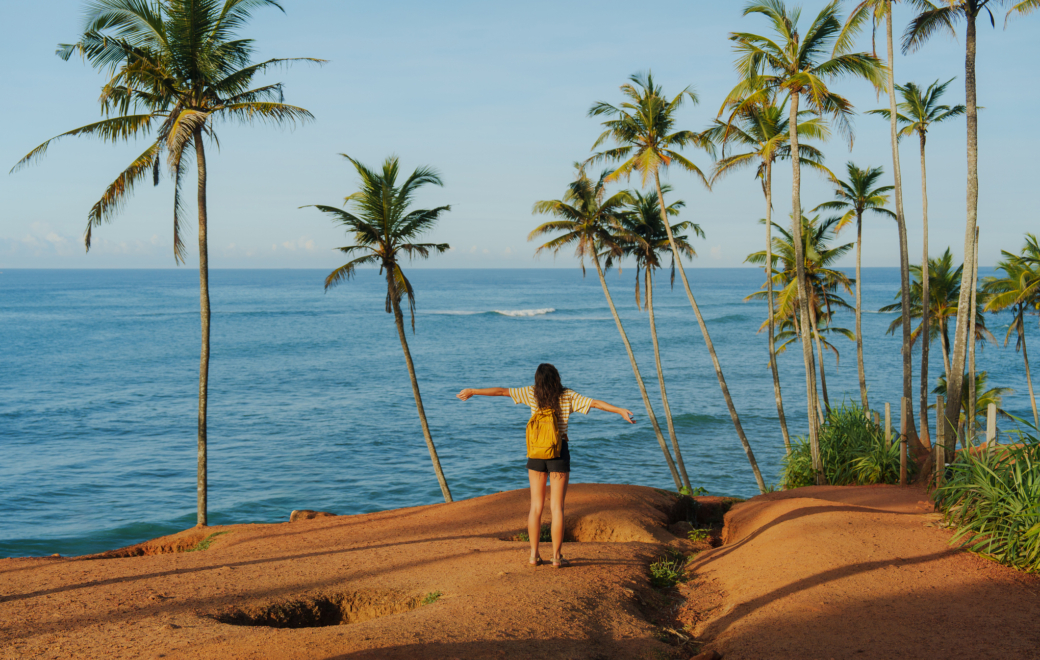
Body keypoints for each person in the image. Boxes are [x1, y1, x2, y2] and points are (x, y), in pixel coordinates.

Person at [456, 363, 635, 568]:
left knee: (536, 507)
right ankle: (557, 557)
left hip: (536, 453)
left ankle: (534, 555)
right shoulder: (566, 395)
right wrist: (619, 410)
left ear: (537, 380)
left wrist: (473, 391)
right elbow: (594, 403)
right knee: (557, 508)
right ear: (557, 378)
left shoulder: (531, 394)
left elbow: (502, 391)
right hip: (559, 453)